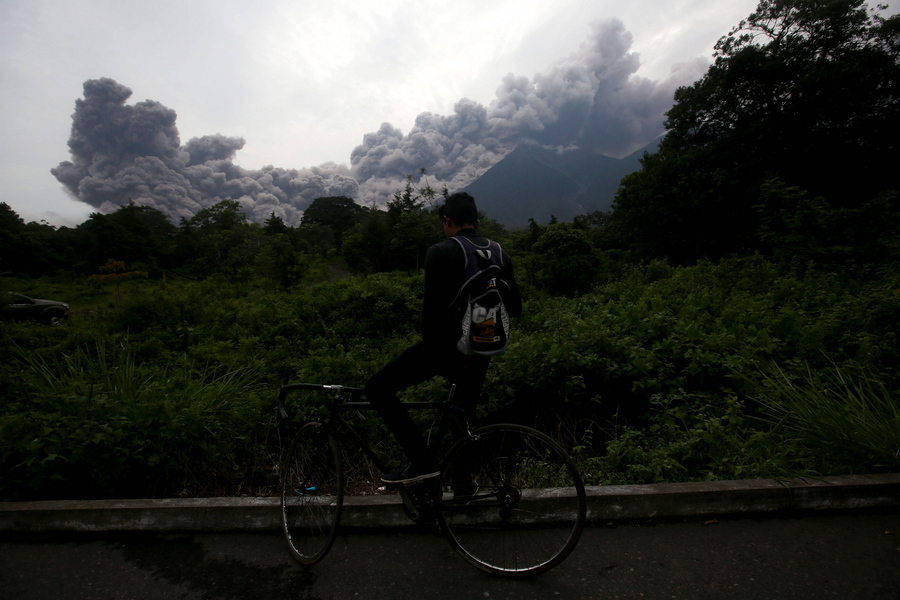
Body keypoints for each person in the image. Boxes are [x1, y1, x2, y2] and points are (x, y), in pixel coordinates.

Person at [365, 192, 522, 484]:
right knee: (461, 417)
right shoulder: (501, 253)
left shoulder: (440, 252)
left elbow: (431, 319)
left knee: (377, 389)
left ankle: (421, 462)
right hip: (483, 349)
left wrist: (440, 354)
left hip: (446, 351)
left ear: (447, 221)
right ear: (476, 222)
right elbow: (515, 309)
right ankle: (463, 486)